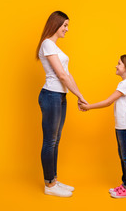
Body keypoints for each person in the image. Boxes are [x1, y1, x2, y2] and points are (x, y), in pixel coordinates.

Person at [36, 11, 88, 197]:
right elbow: (61, 75)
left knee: (55, 140)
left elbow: (68, 74)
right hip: (51, 95)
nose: (67, 29)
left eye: (67, 26)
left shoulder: (55, 47)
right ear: (55, 24)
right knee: (50, 141)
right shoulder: (48, 44)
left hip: (60, 96)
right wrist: (79, 95)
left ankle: (54, 180)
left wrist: (77, 95)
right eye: (64, 25)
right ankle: (49, 185)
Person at [80, 55, 126, 198]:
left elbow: (108, 102)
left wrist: (88, 107)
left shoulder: (125, 84)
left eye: (119, 64)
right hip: (124, 124)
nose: (116, 66)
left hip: (124, 125)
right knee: (123, 155)